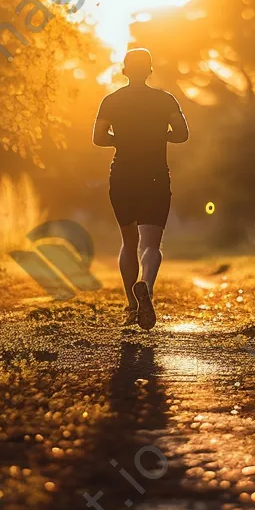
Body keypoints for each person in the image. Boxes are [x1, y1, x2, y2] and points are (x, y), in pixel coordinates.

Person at [92, 48, 189, 329]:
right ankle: (145, 285)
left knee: (129, 242)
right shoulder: (165, 100)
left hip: (122, 176)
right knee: (151, 244)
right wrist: (159, 136)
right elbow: (183, 134)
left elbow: (98, 138)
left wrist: (123, 141)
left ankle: (132, 307)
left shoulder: (111, 101)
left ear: (125, 70)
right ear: (149, 70)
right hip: (155, 176)